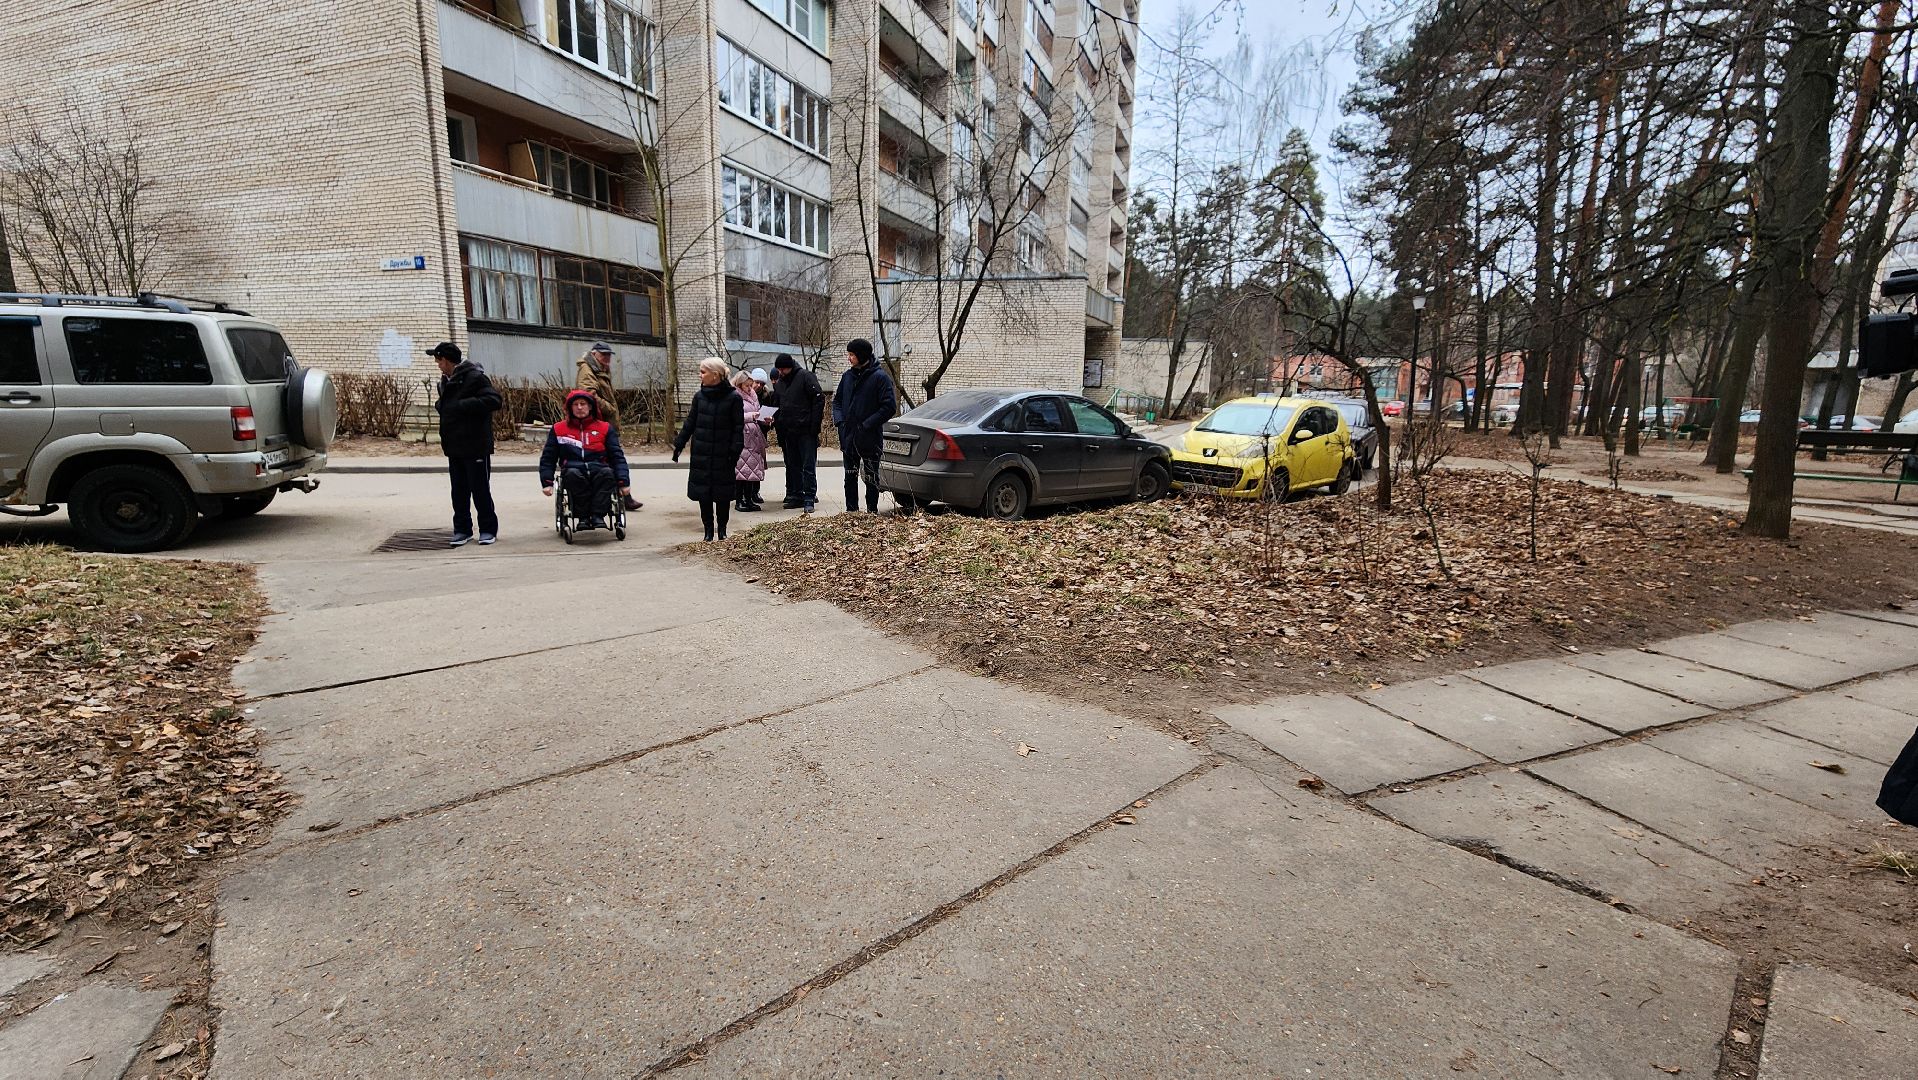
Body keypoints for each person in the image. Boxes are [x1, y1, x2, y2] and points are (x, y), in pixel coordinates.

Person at [431, 341, 502, 546]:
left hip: (475, 445)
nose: (438, 365)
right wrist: (442, 406)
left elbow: (494, 400)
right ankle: (462, 530)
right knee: (459, 491)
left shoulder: (474, 377)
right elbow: (447, 405)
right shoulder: (445, 381)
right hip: (454, 446)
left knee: (480, 490)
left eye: (439, 361)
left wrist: (461, 405)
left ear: (446, 360)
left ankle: (488, 529)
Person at [672, 358, 745, 541]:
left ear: (716, 375)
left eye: (703, 371)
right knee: (703, 495)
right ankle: (707, 531)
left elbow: (738, 428)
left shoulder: (734, 398)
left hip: (723, 455)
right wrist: (679, 444)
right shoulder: (699, 397)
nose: (700, 375)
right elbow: (690, 423)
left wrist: (734, 452)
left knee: (722, 496)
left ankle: (722, 530)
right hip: (702, 455)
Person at [539, 390, 631, 529]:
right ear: (570, 408)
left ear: (590, 406)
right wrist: (547, 482)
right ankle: (582, 517)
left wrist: (623, 481)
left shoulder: (605, 428)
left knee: (607, 474)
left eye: (583, 404)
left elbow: (617, 456)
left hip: (599, 466)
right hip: (572, 467)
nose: (580, 407)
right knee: (573, 475)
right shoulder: (559, 429)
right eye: (575, 404)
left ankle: (597, 516)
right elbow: (548, 458)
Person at [832, 338, 897, 513]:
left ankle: (871, 512)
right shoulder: (847, 376)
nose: (849, 358)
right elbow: (837, 402)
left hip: (869, 439)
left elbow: (889, 407)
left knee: (871, 478)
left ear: (861, 356)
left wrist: (867, 424)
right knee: (850, 477)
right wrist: (839, 421)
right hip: (848, 437)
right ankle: (851, 512)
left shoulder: (880, 378)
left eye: (852, 355)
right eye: (849, 354)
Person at [576, 342, 642, 512]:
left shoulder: (600, 369)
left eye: (609, 355)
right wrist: (609, 408)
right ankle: (622, 496)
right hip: (596, 423)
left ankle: (622, 494)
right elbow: (588, 394)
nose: (607, 358)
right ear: (594, 354)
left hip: (604, 423)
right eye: (603, 355)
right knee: (611, 458)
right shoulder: (587, 369)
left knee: (613, 458)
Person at [768, 353, 823, 513]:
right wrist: (773, 420)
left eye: (782, 369)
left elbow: (818, 400)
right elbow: (777, 406)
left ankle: (809, 498)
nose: (780, 372)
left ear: (789, 366)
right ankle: (797, 495)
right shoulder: (780, 384)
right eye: (778, 369)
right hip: (788, 431)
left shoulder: (806, 377)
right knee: (793, 465)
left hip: (805, 430)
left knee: (808, 466)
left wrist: (814, 426)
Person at [732, 370, 768, 513]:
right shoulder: (734, 396)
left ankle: (749, 499)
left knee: (751, 471)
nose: (749, 388)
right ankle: (739, 500)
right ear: (739, 384)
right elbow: (735, 416)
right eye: (746, 386)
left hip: (754, 437)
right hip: (742, 437)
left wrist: (764, 418)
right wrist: (752, 416)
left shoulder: (753, 396)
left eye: (750, 385)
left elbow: (757, 411)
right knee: (741, 471)